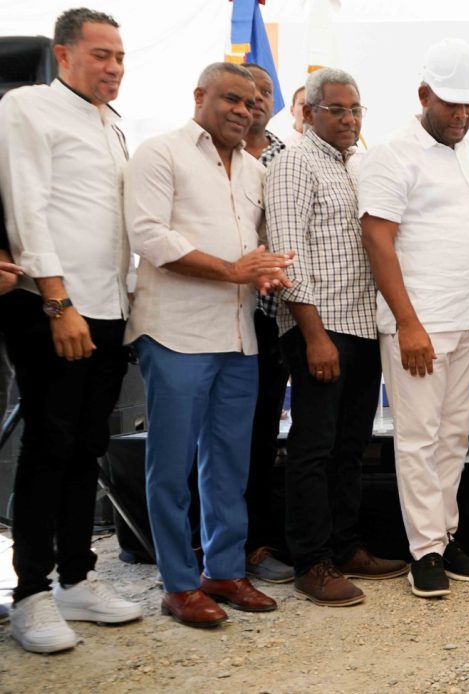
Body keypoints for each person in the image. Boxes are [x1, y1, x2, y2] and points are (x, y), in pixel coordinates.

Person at [125, 62, 294, 628]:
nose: (241, 110)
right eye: (229, 99)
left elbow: (253, 248)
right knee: (170, 467)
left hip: (238, 336)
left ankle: (223, 570)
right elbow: (148, 235)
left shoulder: (253, 169)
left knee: (229, 466)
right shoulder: (160, 152)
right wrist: (234, 270)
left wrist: (266, 269)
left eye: (249, 103)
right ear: (199, 95)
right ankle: (177, 583)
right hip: (174, 333)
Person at [0, 7, 143, 654]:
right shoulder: (28, 108)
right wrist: (58, 303)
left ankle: (76, 578)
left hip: (109, 310)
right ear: (62, 56)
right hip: (54, 310)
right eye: (100, 55)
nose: (113, 67)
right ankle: (30, 592)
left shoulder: (113, 126)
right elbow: (27, 204)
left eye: (119, 56)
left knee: (87, 445)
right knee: (49, 448)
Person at [267, 67, 409, 606]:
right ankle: (312, 561)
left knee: (351, 447)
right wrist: (314, 336)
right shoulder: (293, 164)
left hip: (361, 325)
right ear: (307, 113)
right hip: (319, 329)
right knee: (313, 448)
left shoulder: (355, 166)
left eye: (355, 110)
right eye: (337, 110)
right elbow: (285, 257)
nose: (349, 120)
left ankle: (346, 547)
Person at [359, 39, 469, 599]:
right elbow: (376, 238)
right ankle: (424, 552)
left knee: (453, 437)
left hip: (466, 320)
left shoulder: (462, 151)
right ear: (423, 95)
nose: (462, 115)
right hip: (421, 325)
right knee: (417, 438)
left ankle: (446, 534)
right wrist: (408, 323)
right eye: (451, 104)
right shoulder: (393, 155)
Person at [241, 62, 293, 585]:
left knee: (257, 436)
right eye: (246, 91)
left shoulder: (285, 156)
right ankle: (197, 545)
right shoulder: (201, 152)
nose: (255, 100)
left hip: (268, 320)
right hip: (207, 317)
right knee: (207, 440)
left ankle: (254, 544)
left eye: (264, 92)